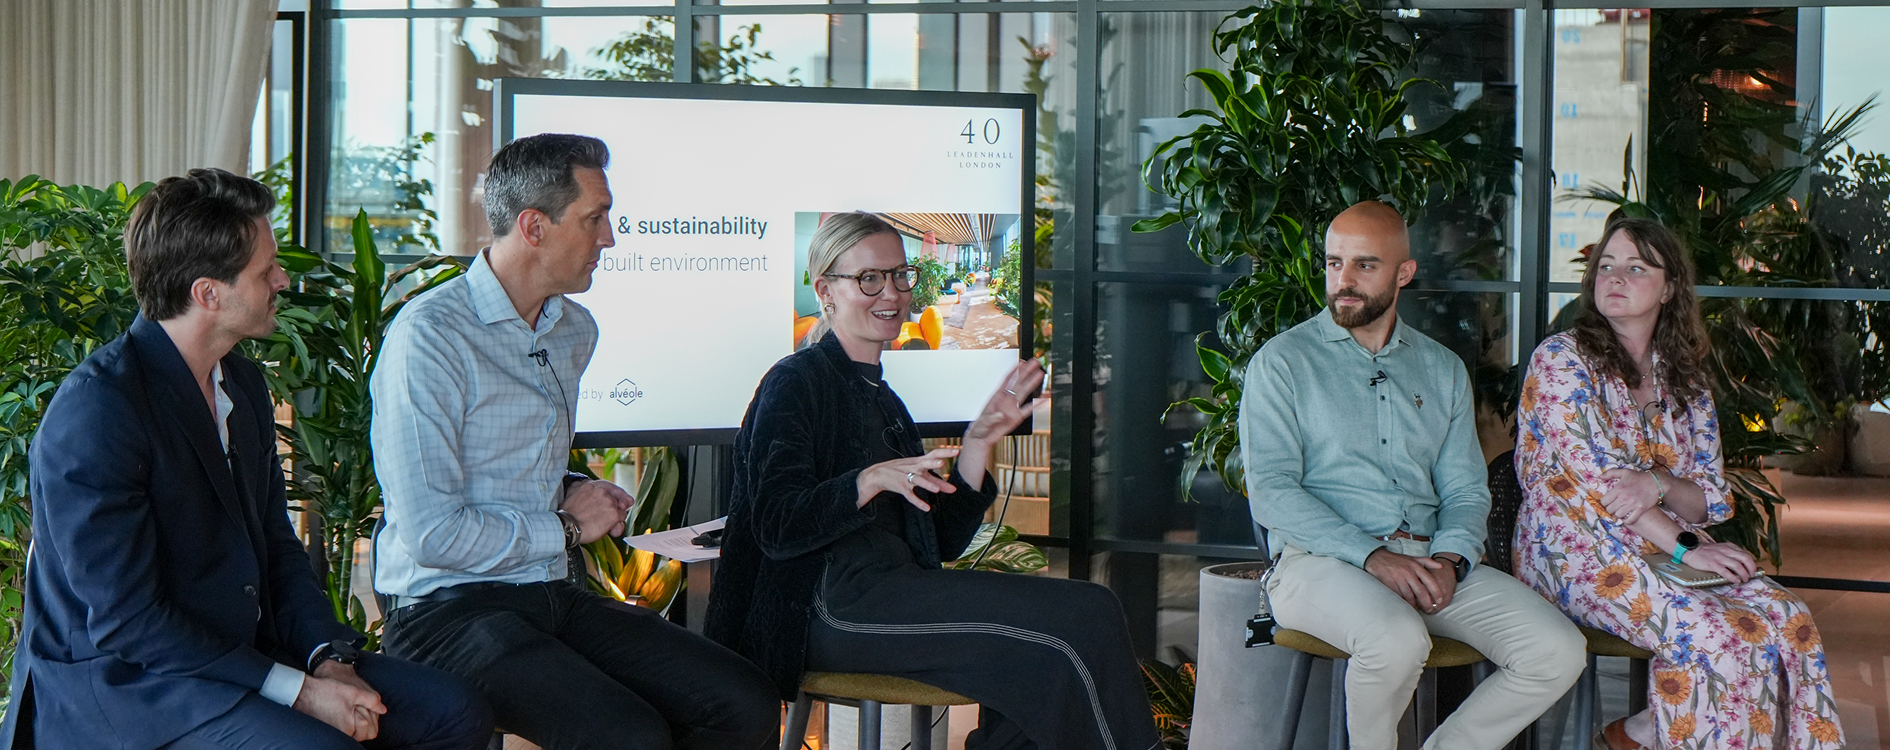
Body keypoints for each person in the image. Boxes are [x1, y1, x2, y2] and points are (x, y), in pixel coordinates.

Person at [1, 168, 493, 750]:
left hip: (237, 654)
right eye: (267, 270)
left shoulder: (242, 381)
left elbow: (276, 545)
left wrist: (327, 659)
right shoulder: (99, 412)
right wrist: (301, 692)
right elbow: (128, 623)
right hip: (128, 686)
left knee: (454, 712)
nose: (283, 279)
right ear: (207, 293)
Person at [370, 134, 779, 750]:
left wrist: (573, 488)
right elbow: (432, 534)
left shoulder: (572, 329)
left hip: (551, 593)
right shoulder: (430, 335)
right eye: (595, 218)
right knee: (627, 735)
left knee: (742, 699)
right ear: (534, 226)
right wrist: (564, 527)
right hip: (443, 612)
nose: (610, 238)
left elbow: (509, 466)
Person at [705, 211, 1162, 750]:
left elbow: (940, 540)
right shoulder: (795, 381)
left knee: (1076, 624)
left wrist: (978, 444)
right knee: (1077, 623)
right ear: (826, 290)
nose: (892, 293)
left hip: (893, 590)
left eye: (901, 275)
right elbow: (775, 525)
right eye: (869, 278)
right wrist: (866, 480)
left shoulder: (885, 400)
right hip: (826, 607)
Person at [1241, 201, 1586, 750]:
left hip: (1428, 559)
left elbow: (1465, 489)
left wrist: (1451, 558)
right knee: (1395, 638)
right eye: (1334, 263)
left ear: (1404, 273)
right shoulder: (1282, 363)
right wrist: (1374, 558)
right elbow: (1273, 492)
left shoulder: (1441, 368)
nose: (1343, 281)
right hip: (1319, 565)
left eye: (1364, 265)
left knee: (1557, 650)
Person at [1515, 218, 1842, 750]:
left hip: (1665, 549)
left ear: (1669, 288)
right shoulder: (1562, 360)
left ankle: (1641, 733)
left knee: (1787, 619)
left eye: (1637, 267)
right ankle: (1647, 735)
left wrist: (1659, 484)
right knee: (1716, 637)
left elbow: (1710, 496)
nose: (1615, 278)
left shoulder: (1682, 377)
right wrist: (1687, 547)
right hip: (1577, 552)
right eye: (1606, 266)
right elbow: (1607, 489)